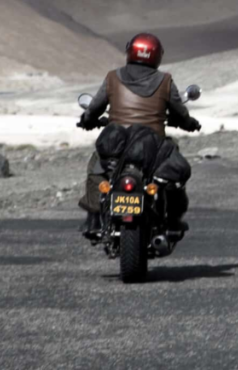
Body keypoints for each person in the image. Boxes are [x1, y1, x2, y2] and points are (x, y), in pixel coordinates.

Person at [77, 33, 201, 238]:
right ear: (157, 55)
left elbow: (94, 109)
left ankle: (94, 219)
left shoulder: (112, 77)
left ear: (130, 51)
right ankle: (173, 219)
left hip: (116, 145)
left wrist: (87, 120)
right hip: (153, 145)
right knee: (174, 174)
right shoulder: (165, 80)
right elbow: (180, 112)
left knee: (95, 169)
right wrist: (189, 124)